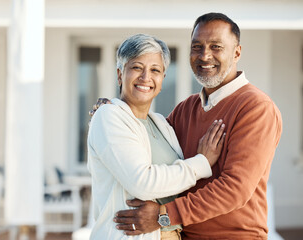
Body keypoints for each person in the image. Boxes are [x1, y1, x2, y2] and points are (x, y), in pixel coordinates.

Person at [112, 13, 283, 240]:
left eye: (216, 46)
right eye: (197, 46)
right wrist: (115, 109)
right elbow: (147, 142)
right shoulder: (186, 108)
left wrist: (163, 216)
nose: (205, 55)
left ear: (237, 52)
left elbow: (235, 189)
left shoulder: (256, 108)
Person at [87, 33, 225, 240]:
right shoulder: (108, 116)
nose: (146, 77)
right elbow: (142, 183)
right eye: (136, 67)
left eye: (155, 70)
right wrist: (202, 163)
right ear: (119, 74)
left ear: (162, 80)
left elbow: (174, 187)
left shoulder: (162, 124)